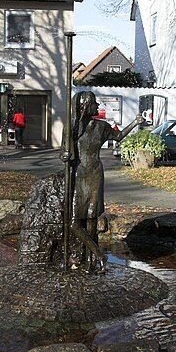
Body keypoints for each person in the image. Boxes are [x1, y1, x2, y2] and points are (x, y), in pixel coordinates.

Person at [62, 91, 144, 272]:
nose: (98, 106)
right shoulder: (72, 128)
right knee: (74, 223)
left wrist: (135, 123)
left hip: (95, 174)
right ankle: (99, 254)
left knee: (92, 219)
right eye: (94, 103)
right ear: (84, 106)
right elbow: (63, 153)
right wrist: (65, 155)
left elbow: (119, 136)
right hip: (78, 175)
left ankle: (90, 262)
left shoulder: (102, 127)